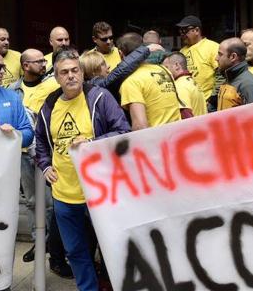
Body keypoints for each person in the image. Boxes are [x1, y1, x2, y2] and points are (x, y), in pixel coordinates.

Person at [35, 49, 130, 291]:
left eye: (75, 70)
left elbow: (124, 131)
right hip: (64, 193)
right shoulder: (49, 105)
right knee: (75, 250)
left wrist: (90, 144)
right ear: (56, 77)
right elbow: (41, 143)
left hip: (100, 191)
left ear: (82, 72)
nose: (71, 76)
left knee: (111, 246)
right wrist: (45, 166)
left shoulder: (100, 97)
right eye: (64, 72)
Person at [9, 49, 73, 278]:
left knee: (51, 203)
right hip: (23, 152)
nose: (44, 63)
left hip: (47, 152)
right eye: (38, 61)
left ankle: (55, 245)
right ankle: (39, 242)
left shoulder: (53, 86)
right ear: (25, 65)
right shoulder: (13, 91)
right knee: (32, 201)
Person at [118, 33, 181, 130]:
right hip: (176, 135)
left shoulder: (131, 82)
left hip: (158, 141)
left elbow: (140, 126)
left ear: (120, 53)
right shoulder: (164, 71)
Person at [80, 42, 164, 101]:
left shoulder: (91, 85)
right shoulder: (96, 84)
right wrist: (145, 50)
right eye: (103, 64)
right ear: (93, 71)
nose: (108, 66)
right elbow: (118, 72)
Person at [176, 15, 220, 102]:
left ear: (196, 30)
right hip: (188, 102)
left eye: (185, 30)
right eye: (180, 31)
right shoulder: (182, 51)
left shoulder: (212, 47)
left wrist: (213, 99)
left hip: (207, 101)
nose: (182, 34)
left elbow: (221, 74)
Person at [216, 38, 253, 110]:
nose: (216, 58)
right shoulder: (229, 77)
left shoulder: (249, 85)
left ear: (233, 57)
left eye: (220, 54)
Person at [162, 51, 207, 116]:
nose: (165, 72)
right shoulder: (191, 81)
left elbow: (186, 115)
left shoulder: (180, 86)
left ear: (177, 66)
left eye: (166, 67)